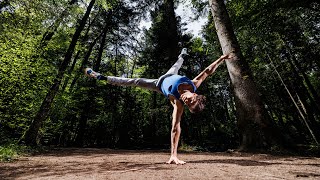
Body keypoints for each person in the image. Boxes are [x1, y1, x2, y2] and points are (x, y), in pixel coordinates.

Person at [85, 48, 233, 165]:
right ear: (195, 95)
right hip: (169, 74)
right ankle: (183, 54)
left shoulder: (178, 104)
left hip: (158, 84)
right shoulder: (193, 85)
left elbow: (175, 128)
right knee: (177, 64)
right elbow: (208, 71)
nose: (186, 101)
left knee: (134, 81)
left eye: (187, 104)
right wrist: (221, 58)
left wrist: (173, 155)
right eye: (189, 100)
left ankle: (102, 77)